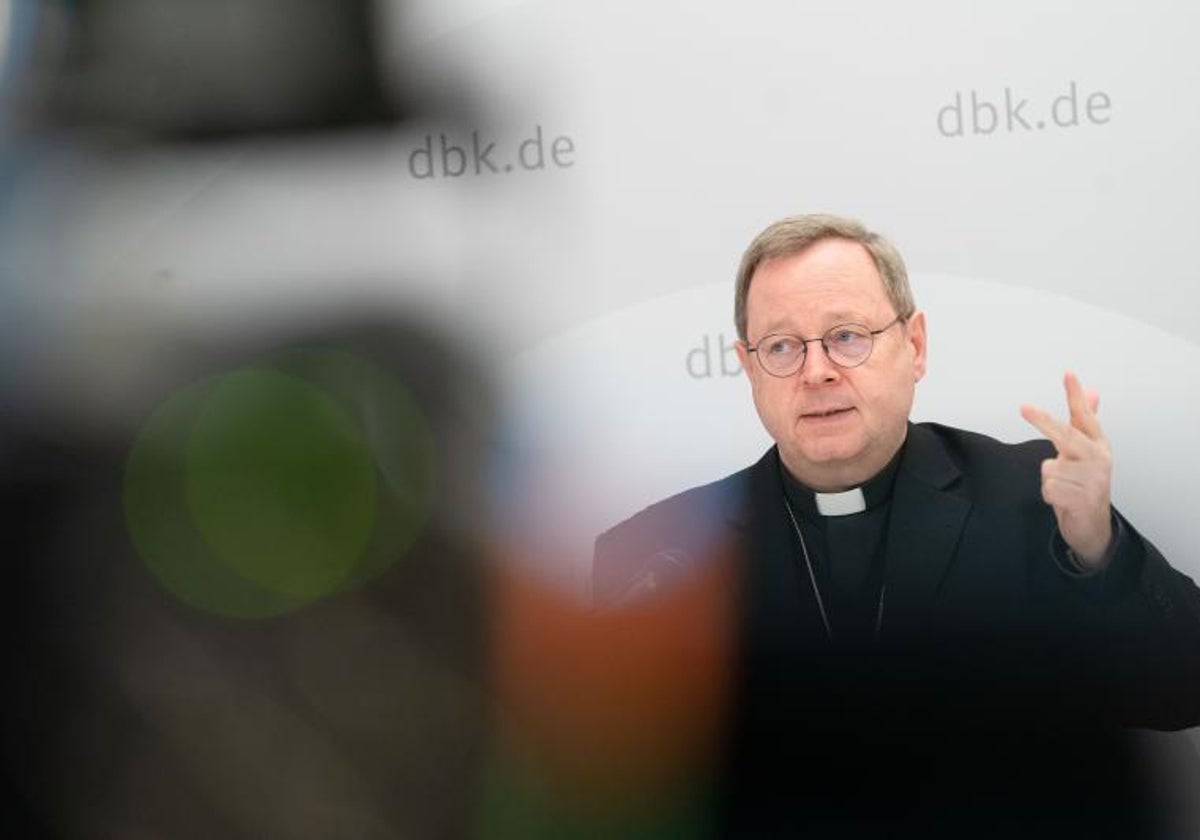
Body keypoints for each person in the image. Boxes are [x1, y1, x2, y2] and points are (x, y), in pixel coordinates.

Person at [593, 214, 1200, 837]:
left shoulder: (1031, 499)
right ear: (748, 369)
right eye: (781, 347)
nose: (817, 371)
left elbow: (1181, 689)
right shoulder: (665, 552)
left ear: (915, 346)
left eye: (847, 336)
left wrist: (1097, 551)